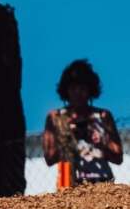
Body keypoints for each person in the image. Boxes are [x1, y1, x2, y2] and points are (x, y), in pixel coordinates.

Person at [43, 59, 122, 188]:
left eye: (82, 88)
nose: (78, 92)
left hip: (101, 182)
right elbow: (49, 158)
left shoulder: (103, 116)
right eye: (73, 88)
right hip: (67, 183)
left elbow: (118, 157)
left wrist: (99, 142)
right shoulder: (56, 117)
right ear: (66, 90)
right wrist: (68, 138)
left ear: (90, 89)